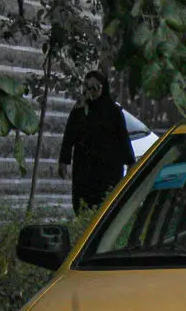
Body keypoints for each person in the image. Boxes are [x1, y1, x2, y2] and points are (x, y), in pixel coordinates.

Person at [58, 70, 135, 213]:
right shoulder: (80, 109)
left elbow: (123, 138)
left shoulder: (113, 111)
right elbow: (69, 135)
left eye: (94, 88)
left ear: (102, 88)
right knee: (83, 207)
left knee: (104, 207)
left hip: (107, 170)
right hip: (84, 169)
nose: (90, 92)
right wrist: (64, 161)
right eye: (87, 87)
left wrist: (130, 163)